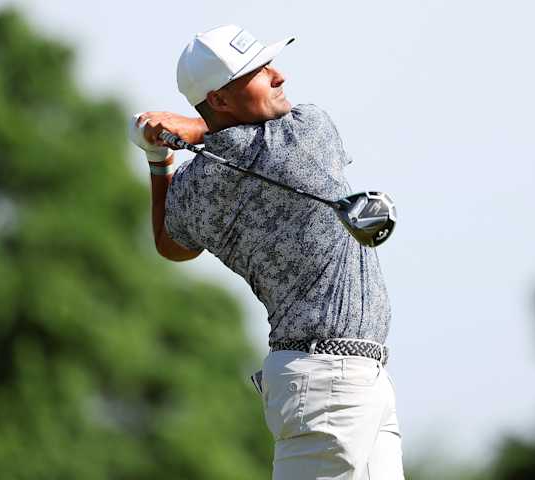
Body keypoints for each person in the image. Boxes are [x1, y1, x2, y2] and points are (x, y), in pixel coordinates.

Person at [128, 24, 404, 479]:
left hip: (350, 382)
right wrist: (193, 134)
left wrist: (159, 161)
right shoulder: (306, 134)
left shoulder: (197, 187)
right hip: (329, 385)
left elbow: (169, 243)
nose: (279, 76)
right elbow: (234, 146)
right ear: (218, 98)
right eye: (258, 71)